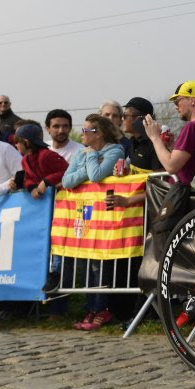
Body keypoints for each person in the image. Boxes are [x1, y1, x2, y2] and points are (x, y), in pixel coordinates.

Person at [63, 114, 125, 332]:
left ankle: (102, 308)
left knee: (101, 264)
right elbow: (67, 180)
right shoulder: (81, 152)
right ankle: (90, 307)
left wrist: (91, 160)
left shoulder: (114, 150)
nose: (81, 134)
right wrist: (87, 164)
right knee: (87, 263)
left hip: (106, 217)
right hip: (86, 215)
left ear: (97, 133)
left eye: (86, 130)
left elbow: (97, 176)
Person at [143, 81, 195, 185]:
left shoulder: (192, 126)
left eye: (177, 101)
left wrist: (155, 137)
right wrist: (172, 146)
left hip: (185, 194)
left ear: (192, 100)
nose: (176, 107)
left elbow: (171, 167)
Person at [11, 124, 68, 199]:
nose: (15, 145)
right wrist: (32, 188)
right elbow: (28, 178)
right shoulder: (24, 160)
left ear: (26, 142)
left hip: (61, 199)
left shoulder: (47, 155)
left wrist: (46, 181)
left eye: (16, 142)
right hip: (44, 201)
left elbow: (67, 171)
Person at [121, 97, 162, 173]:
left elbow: (161, 177)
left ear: (138, 119)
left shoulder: (155, 144)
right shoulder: (133, 142)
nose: (122, 119)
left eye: (125, 116)